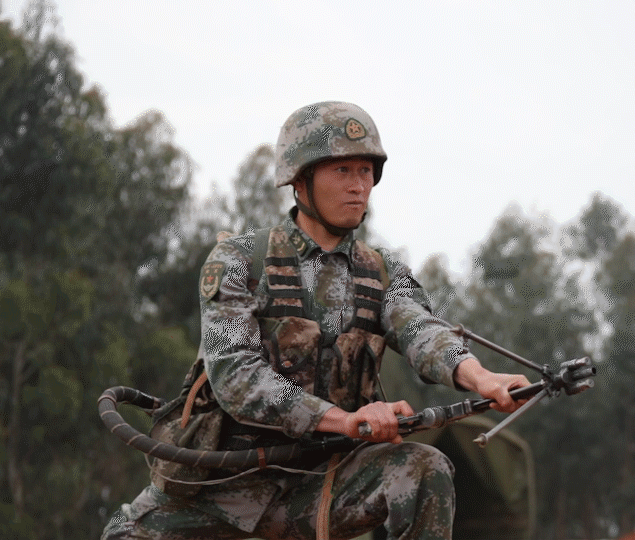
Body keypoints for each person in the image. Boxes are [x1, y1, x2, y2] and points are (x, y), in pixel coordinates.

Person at [102, 101, 530, 540]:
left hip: (321, 486)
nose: (358, 186)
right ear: (300, 180)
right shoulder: (239, 261)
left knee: (424, 468)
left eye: (366, 171)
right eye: (342, 170)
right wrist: (341, 419)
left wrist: (481, 378)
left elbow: (419, 328)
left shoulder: (382, 272)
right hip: (220, 485)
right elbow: (235, 375)